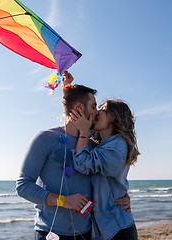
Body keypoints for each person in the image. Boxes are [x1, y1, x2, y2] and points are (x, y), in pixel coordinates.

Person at [16, 72, 130, 240]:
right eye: (93, 106)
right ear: (78, 108)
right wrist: (63, 200)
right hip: (51, 233)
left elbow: (111, 174)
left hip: (88, 233)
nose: (97, 112)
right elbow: (23, 185)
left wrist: (123, 197)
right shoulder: (45, 138)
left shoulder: (91, 142)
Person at [70, 99, 140, 240]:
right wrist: (67, 88)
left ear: (114, 116)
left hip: (117, 230)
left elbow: (82, 163)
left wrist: (84, 131)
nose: (96, 112)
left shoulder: (117, 146)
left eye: (103, 109)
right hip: (105, 229)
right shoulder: (100, 143)